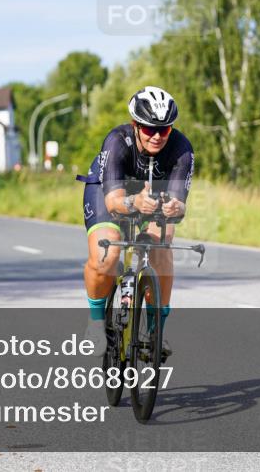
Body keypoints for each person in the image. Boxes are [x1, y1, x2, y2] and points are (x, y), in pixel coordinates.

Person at [77, 86, 194, 357]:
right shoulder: (118, 141)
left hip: (151, 195)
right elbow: (113, 201)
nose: (156, 136)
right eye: (149, 129)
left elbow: (179, 205)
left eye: (163, 130)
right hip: (108, 192)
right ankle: (96, 322)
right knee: (107, 254)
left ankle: (156, 332)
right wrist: (133, 203)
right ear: (135, 125)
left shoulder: (181, 149)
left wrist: (175, 207)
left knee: (161, 244)